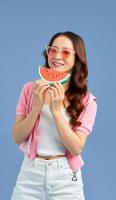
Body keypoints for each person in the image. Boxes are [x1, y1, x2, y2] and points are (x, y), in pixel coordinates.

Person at [11, 31, 97, 200]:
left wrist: (56, 111)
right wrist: (36, 108)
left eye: (65, 52)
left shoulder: (87, 100)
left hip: (65, 177)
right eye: (53, 50)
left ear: (77, 59)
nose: (57, 56)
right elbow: (17, 136)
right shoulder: (30, 89)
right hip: (30, 174)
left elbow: (76, 148)